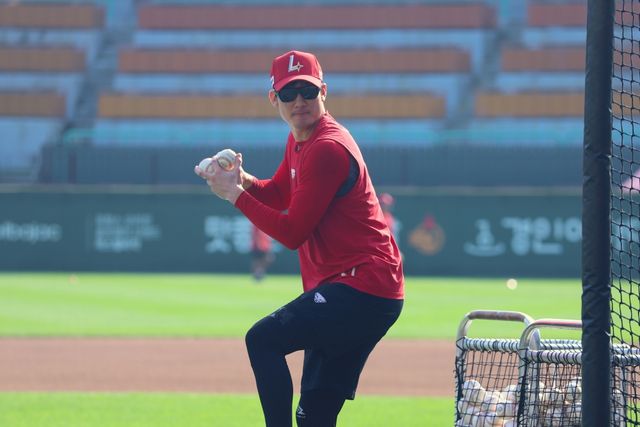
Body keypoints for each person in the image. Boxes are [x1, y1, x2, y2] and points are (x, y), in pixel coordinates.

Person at [195, 50, 404, 427]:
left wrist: (234, 195)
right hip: (362, 288)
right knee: (314, 417)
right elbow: (279, 193)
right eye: (289, 93)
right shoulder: (301, 141)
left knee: (263, 340)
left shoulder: (326, 147)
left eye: (307, 91)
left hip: (362, 286)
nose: (299, 102)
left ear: (323, 91)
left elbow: (292, 233)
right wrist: (242, 179)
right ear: (273, 98)